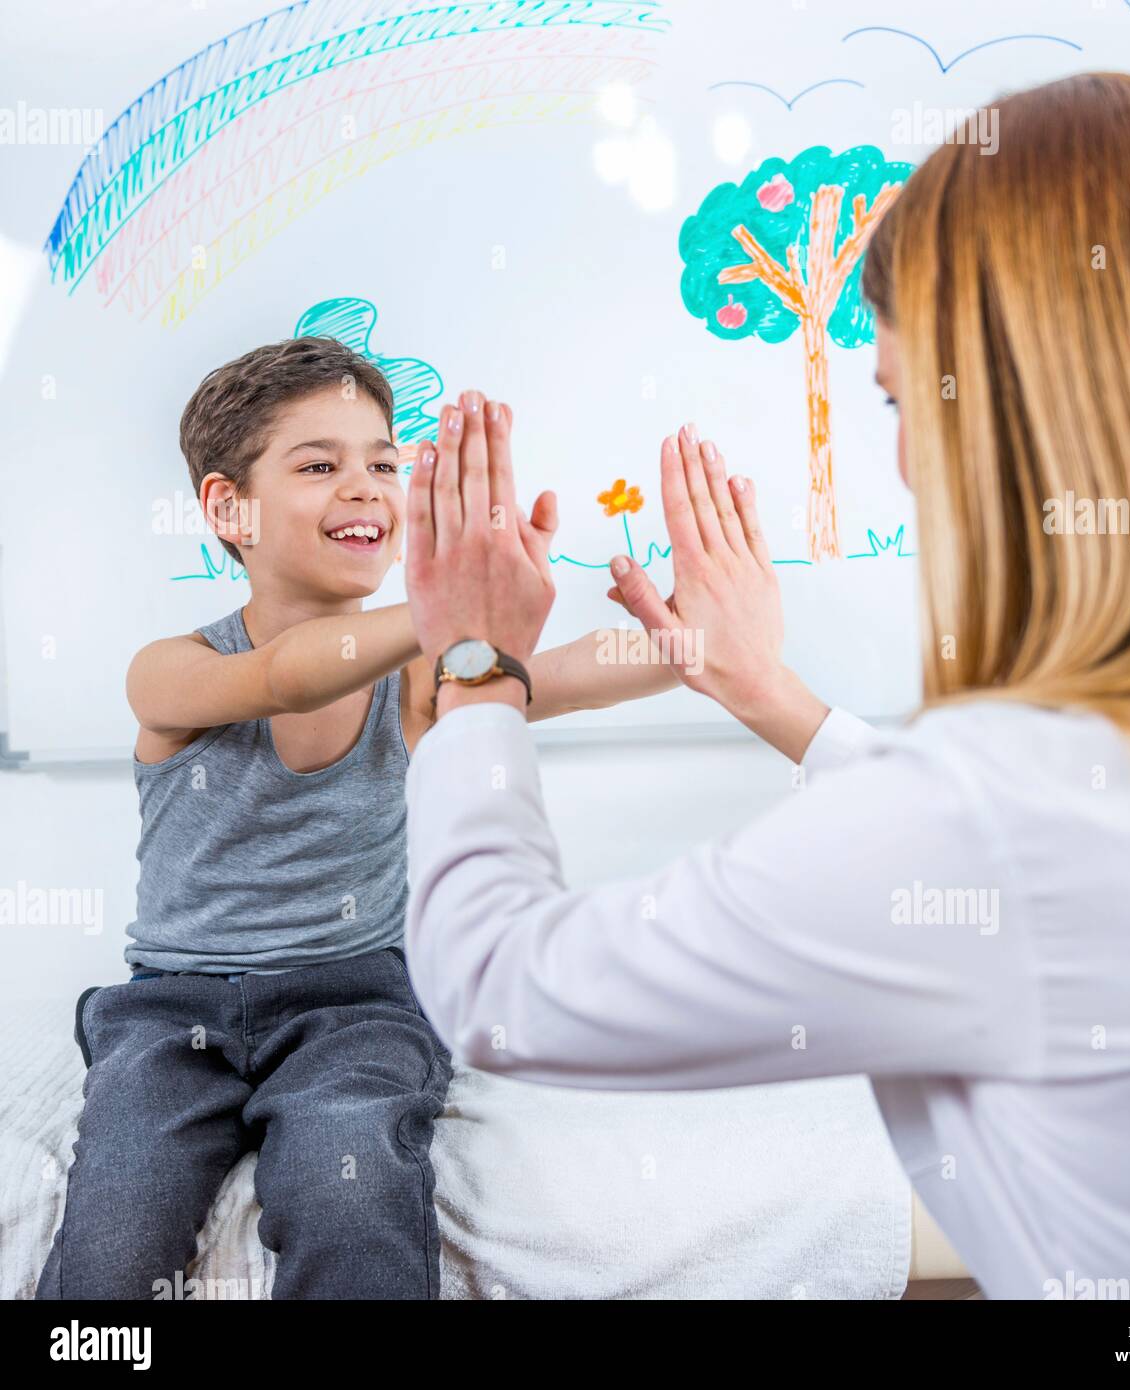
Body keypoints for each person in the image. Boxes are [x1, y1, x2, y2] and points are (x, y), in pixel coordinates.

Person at [400, 74, 1130, 1299]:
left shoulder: (1000, 812)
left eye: (897, 393)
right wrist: (768, 692)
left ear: (1007, 404)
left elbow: (506, 988)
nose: (900, 453)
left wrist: (476, 666)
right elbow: (1029, 869)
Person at [38, 339, 674, 1300]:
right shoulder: (169, 672)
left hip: (356, 1004)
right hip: (175, 1013)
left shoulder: (428, 671)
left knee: (352, 1182)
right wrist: (453, 612)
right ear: (227, 509)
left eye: (384, 462)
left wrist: (685, 639)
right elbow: (287, 673)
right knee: (114, 1233)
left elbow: (576, 674)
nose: (367, 487)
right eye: (320, 465)